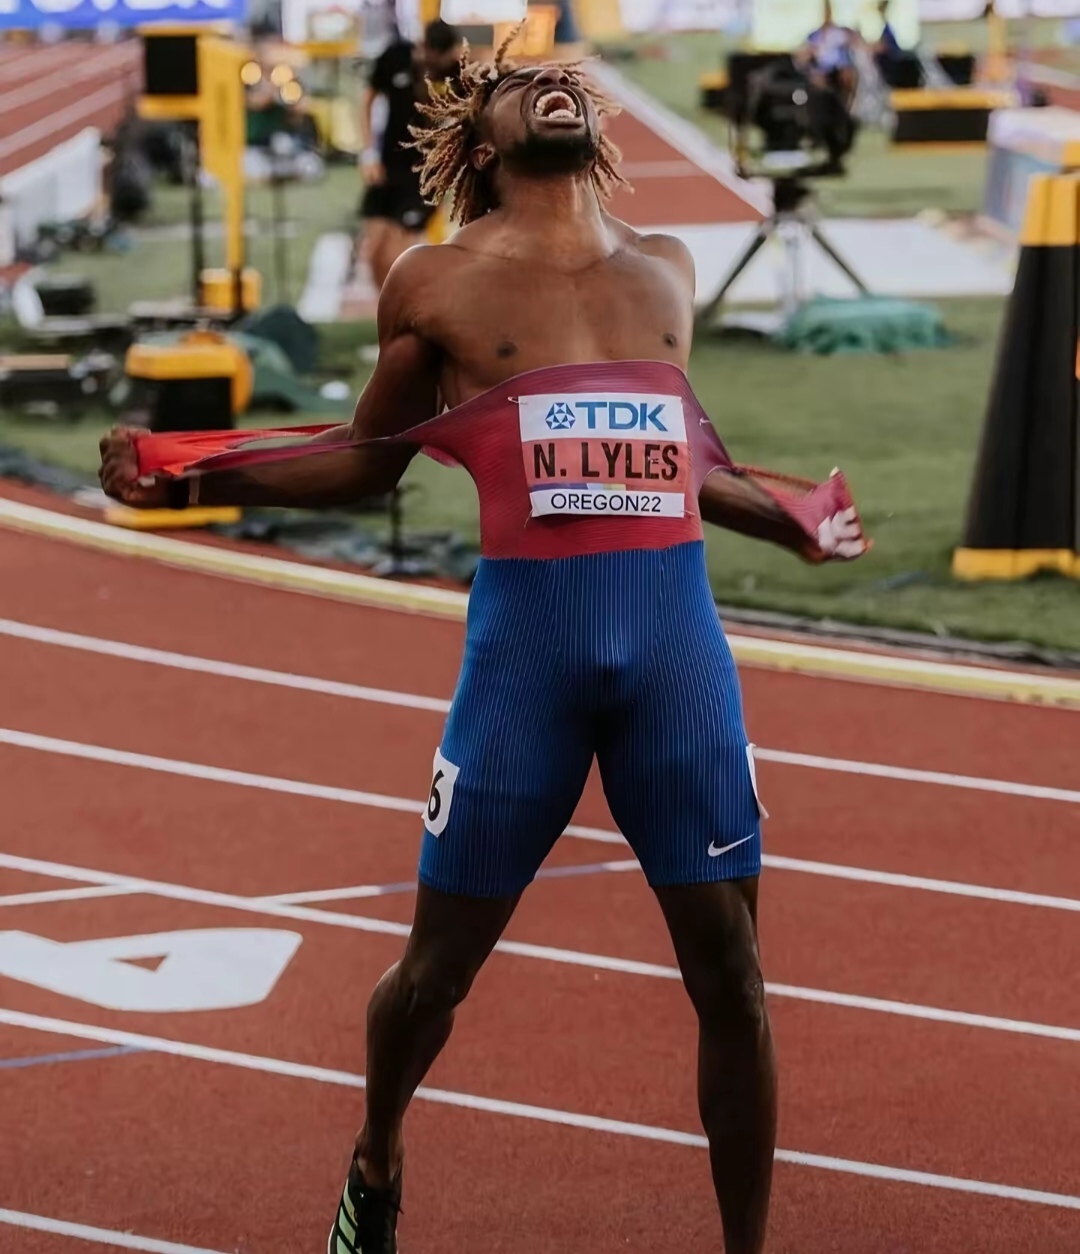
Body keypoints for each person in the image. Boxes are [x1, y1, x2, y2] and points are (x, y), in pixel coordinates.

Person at [100, 39, 869, 1254]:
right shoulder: (436, 280)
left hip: (676, 656)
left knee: (732, 970)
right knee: (436, 972)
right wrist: (194, 475)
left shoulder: (667, 268)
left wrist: (795, 523)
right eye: (520, 83)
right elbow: (366, 462)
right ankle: (378, 1155)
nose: (551, 84)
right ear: (481, 139)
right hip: (526, 666)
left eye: (567, 79)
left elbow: (677, 463)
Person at [358, 18, 463, 290]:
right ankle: (385, 309)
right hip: (387, 164)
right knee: (374, 251)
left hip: (422, 175)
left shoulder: (455, 72)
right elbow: (368, 99)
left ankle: (403, 308)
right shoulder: (397, 57)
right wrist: (369, 153)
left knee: (398, 254)